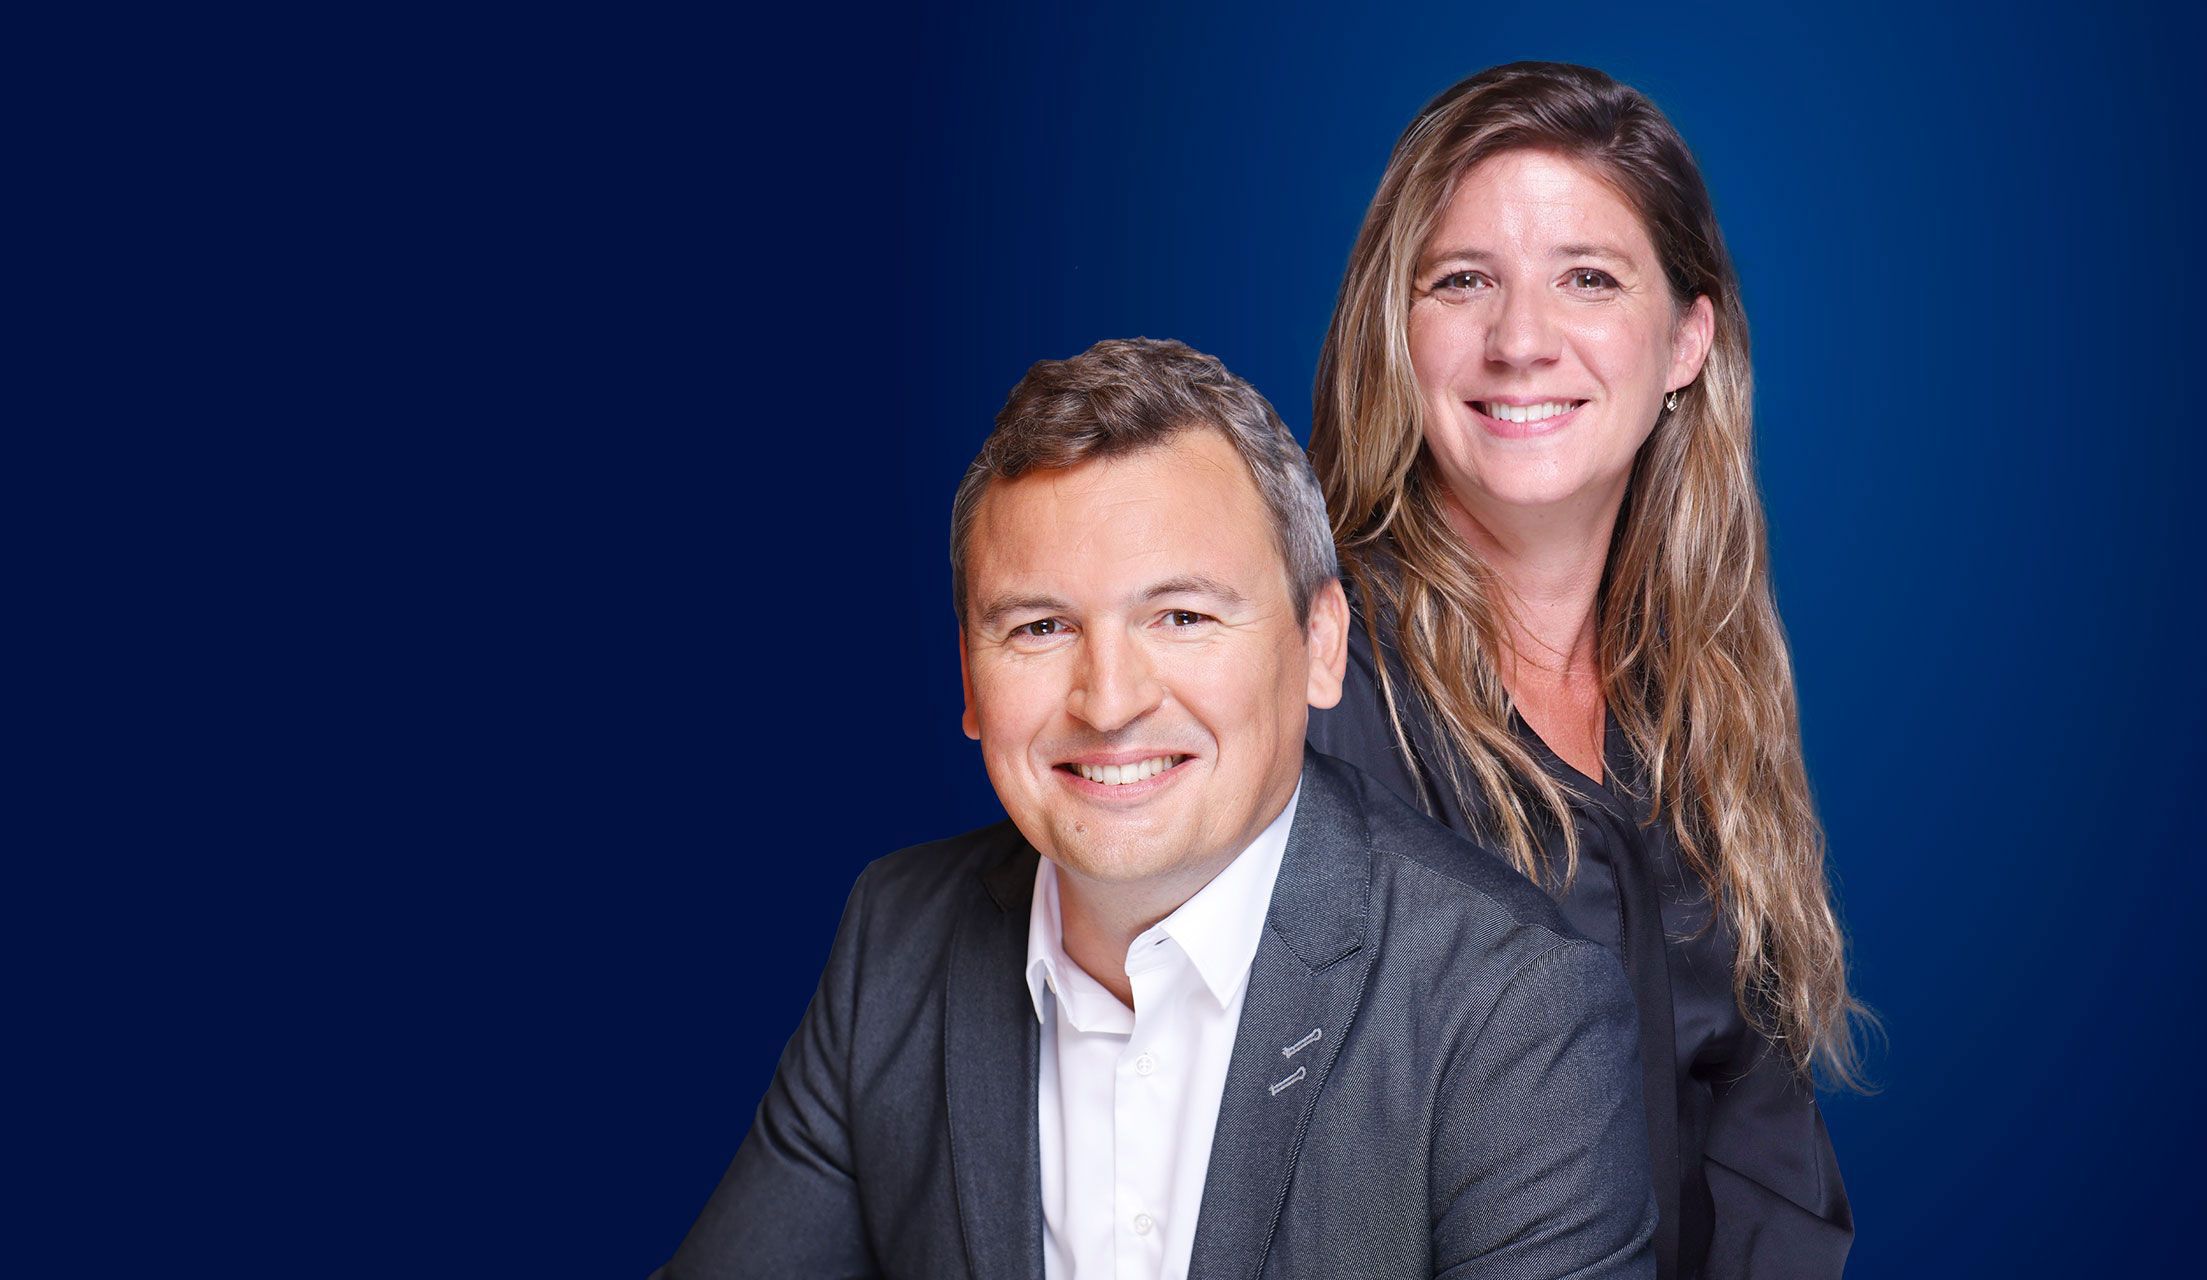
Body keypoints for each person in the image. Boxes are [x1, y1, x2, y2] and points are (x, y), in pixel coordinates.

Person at [657, 338, 1656, 1279]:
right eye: (1040, 626)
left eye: (1180, 616)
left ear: (1320, 644)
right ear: (968, 678)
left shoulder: (1513, 1011)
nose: (1108, 701)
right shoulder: (897, 936)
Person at [1305, 63, 1868, 1279]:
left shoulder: (1699, 712)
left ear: (1685, 341)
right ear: (1394, 330)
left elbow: (1765, 1172)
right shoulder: (1308, 684)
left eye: (1589, 279)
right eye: (1462, 280)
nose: (1519, 341)